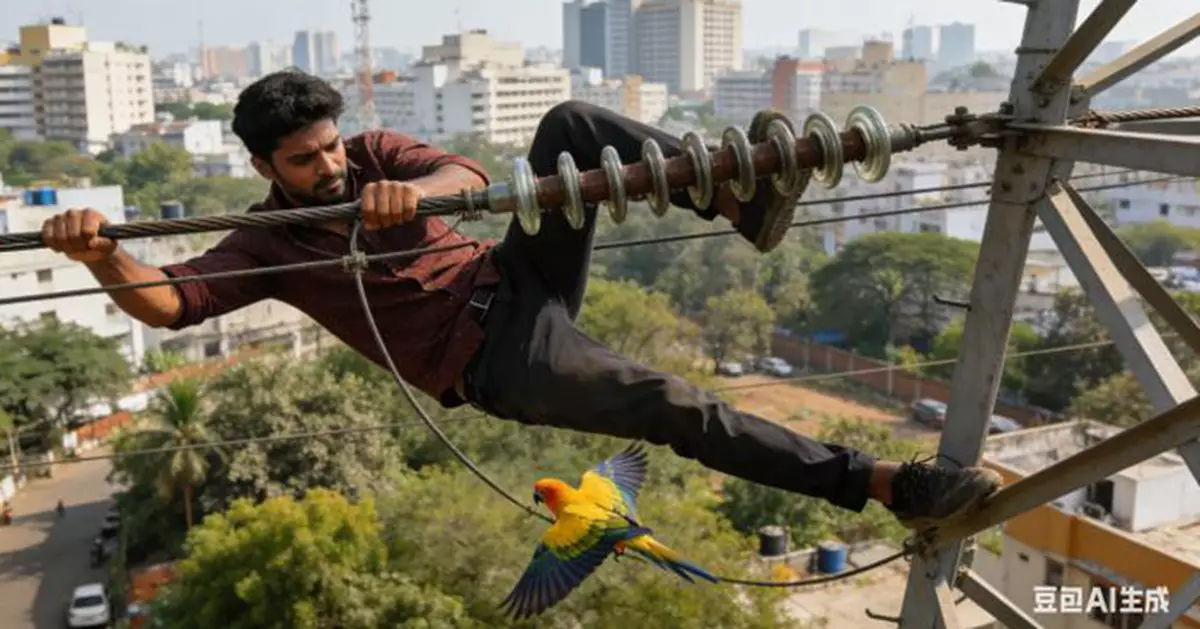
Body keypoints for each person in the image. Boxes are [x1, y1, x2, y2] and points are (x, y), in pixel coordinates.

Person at [41, 71, 1001, 530]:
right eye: (305, 159)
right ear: (263, 167)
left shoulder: (375, 157)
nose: (331, 165)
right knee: (674, 403)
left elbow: (463, 167)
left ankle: (737, 195)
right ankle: (880, 485)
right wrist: (97, 258)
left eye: (332, 145)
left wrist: (419, 195)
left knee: (572, 126)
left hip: (514, 275)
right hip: (493, 361)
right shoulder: (269, 242)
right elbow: (171, 301)